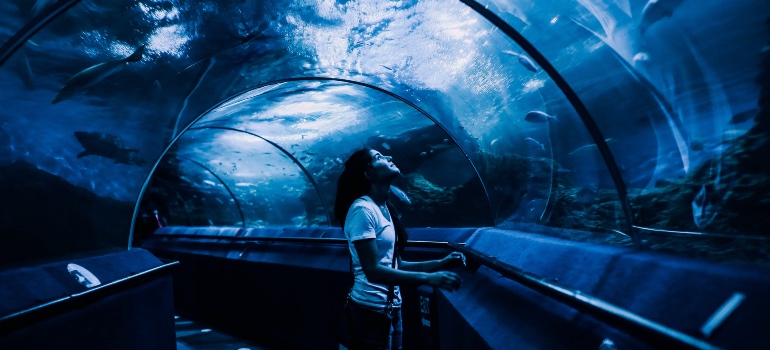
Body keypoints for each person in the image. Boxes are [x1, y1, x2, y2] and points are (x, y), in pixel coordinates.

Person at [334, 148, 465, 350]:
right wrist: (428, 279)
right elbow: (373, 271)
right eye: (379, 157)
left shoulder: (385, 208)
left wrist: (440, 263)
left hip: (393, 309)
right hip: (368, 312)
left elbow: (397, 264)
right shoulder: (362, 210)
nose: (389, 157)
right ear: (369, 173)